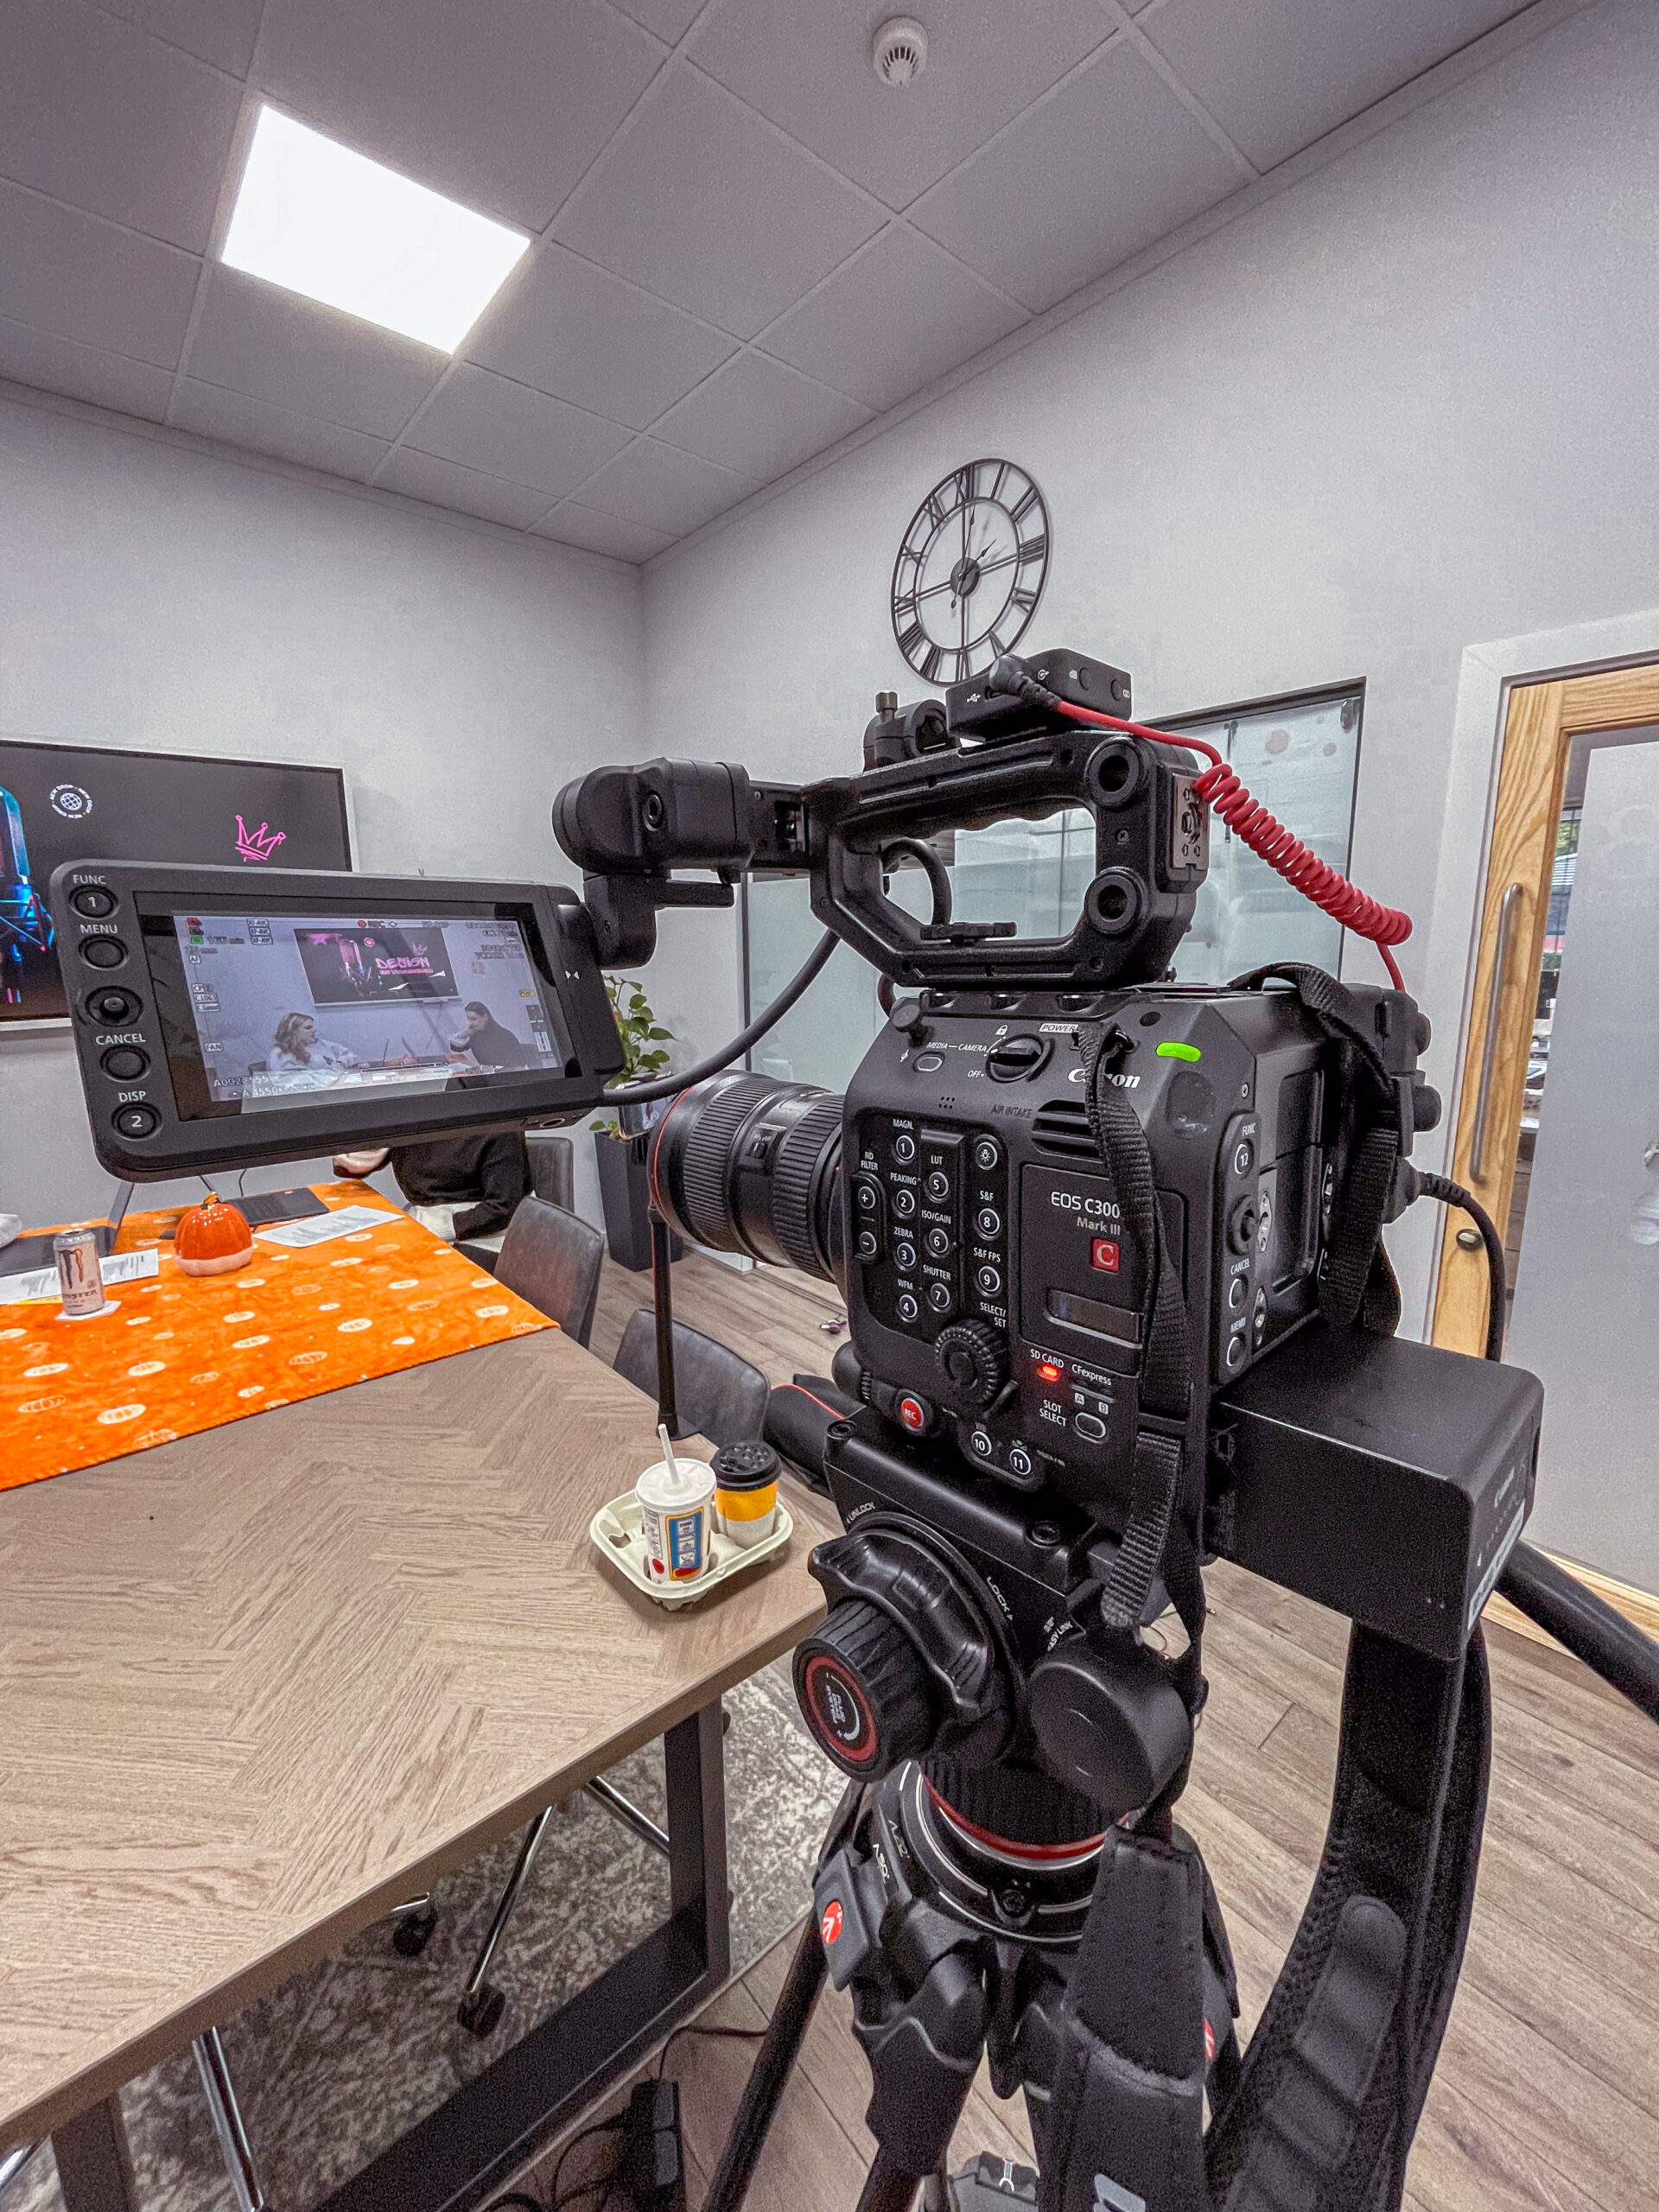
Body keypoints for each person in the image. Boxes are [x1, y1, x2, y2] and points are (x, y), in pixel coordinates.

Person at [333, 1133, 531, 1244]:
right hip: (419, 1221)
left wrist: (431, 1228)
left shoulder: (500, 1127)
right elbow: (347, 1169)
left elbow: (502, 1210)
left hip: (483, 1235)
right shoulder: (415, 1111)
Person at [449, 1001, 537, 1070]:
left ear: (486, 1017)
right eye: (468, 1019)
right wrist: (465, 1033)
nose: (471, 1023)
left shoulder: (505, 1036)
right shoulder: (475, 1034)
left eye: (474, 1019)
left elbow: (517, 1065)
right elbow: (456, 1048)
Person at [270, 1011, 361, 1073]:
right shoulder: (280, 1054)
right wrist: (336, 1070)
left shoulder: (322, 1044)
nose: (314, 1030)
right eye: (308, 1028)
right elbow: (299, 1082)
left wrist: (341, 1063)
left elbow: (352, 1056)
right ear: (293, 1031)